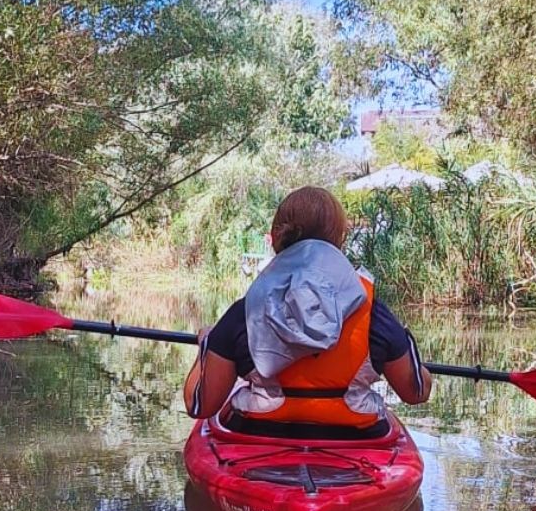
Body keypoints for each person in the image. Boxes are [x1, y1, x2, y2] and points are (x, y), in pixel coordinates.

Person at [182, 186, 432, 439]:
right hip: (356, 438)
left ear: (277, 237)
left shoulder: (246, 311)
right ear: (340, 239)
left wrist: (207, 347)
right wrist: (403, 343)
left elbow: (200, 405)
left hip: (260, 435)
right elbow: (416, 393)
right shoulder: (373, 314)